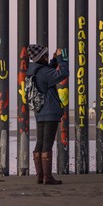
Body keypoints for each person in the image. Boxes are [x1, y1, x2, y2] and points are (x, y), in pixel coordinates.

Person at [27, 43, 69, 185]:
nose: (46, 57)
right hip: (50, 111)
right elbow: (63, 74)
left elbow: (46, 74)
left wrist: (53, 61)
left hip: (39, 111)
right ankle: (48, 177)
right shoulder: (43, 72)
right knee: (47, 144)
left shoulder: (34, 70)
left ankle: (40, 176)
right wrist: (61, 60)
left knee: (40, 142)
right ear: (41, 57)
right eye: (45, 55)